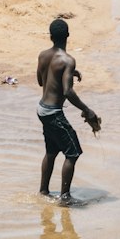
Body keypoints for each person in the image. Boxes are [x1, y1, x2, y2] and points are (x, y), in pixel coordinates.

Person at [36, 17, 101, 203]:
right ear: (68, 36)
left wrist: (67, 74)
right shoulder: (68, 60)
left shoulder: (43, 55)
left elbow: (42, 81)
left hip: (41, 109)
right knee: (73, 153)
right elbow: (68, 91)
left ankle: (43, 192)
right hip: (54, 112)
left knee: (51, 151)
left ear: (50, 36)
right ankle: (65, 198)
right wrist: (87, 110)